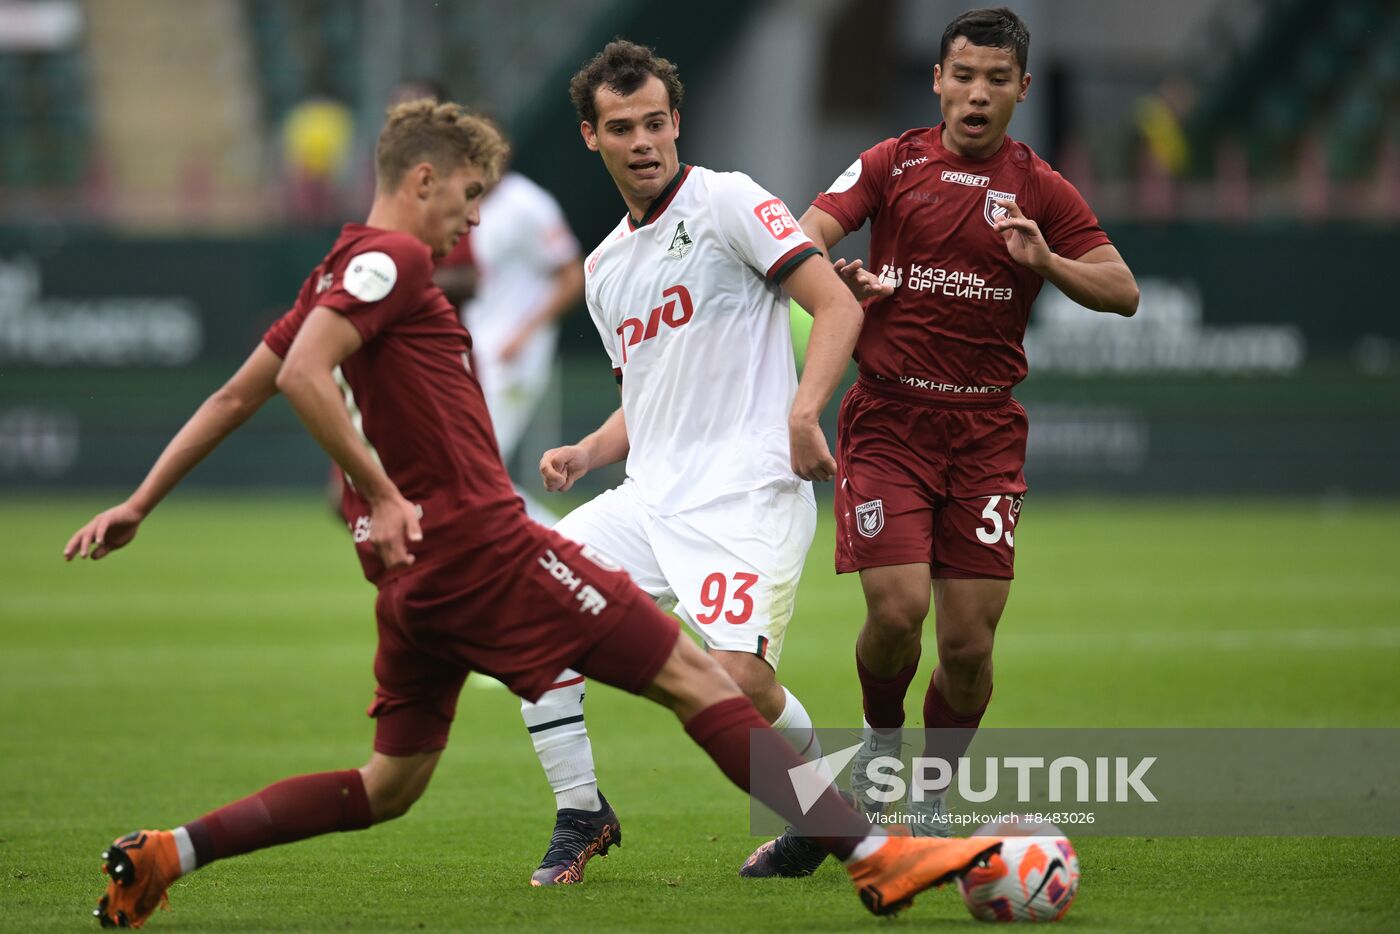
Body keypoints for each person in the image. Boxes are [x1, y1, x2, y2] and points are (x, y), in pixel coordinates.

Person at [66, 98, 998, 928]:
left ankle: (169, 852)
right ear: (422, 179)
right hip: (485, 548)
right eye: (468, 197)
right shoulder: (390, 260)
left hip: (412, 584)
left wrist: (141, 500)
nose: (474, 221)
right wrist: (386, 491)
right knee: (695, 680)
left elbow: (239, 395)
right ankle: (878, 857)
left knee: (386, 785)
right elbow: (306, 379)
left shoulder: (333, 272)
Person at [516, 38, 879, 884]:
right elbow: (648, 400)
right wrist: (589, 449)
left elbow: (834, 307)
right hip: (650, 500)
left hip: (746, 492)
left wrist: (803, 411)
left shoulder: (729, 202)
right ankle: (580, 811)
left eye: (654, 123)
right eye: (621, 127)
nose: (642, 142)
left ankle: (817, 816)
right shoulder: (604, 267)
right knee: (526, 611)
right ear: (589, 137)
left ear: (677, 122)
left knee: (733, 683)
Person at [799, 8, 1139, 833]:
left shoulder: (1040, 188)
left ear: (1023, 89)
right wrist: (843, 280)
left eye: (996, 79)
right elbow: (803, 234)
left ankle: (936, 789)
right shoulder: (892, 162)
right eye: (964, 75)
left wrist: (1046, 262)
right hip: (889, 419)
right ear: (938, 81)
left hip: (985, 436)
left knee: (968, 650)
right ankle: (883, 742)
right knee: (894, 611)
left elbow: (1122, 291)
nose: (977, 93)